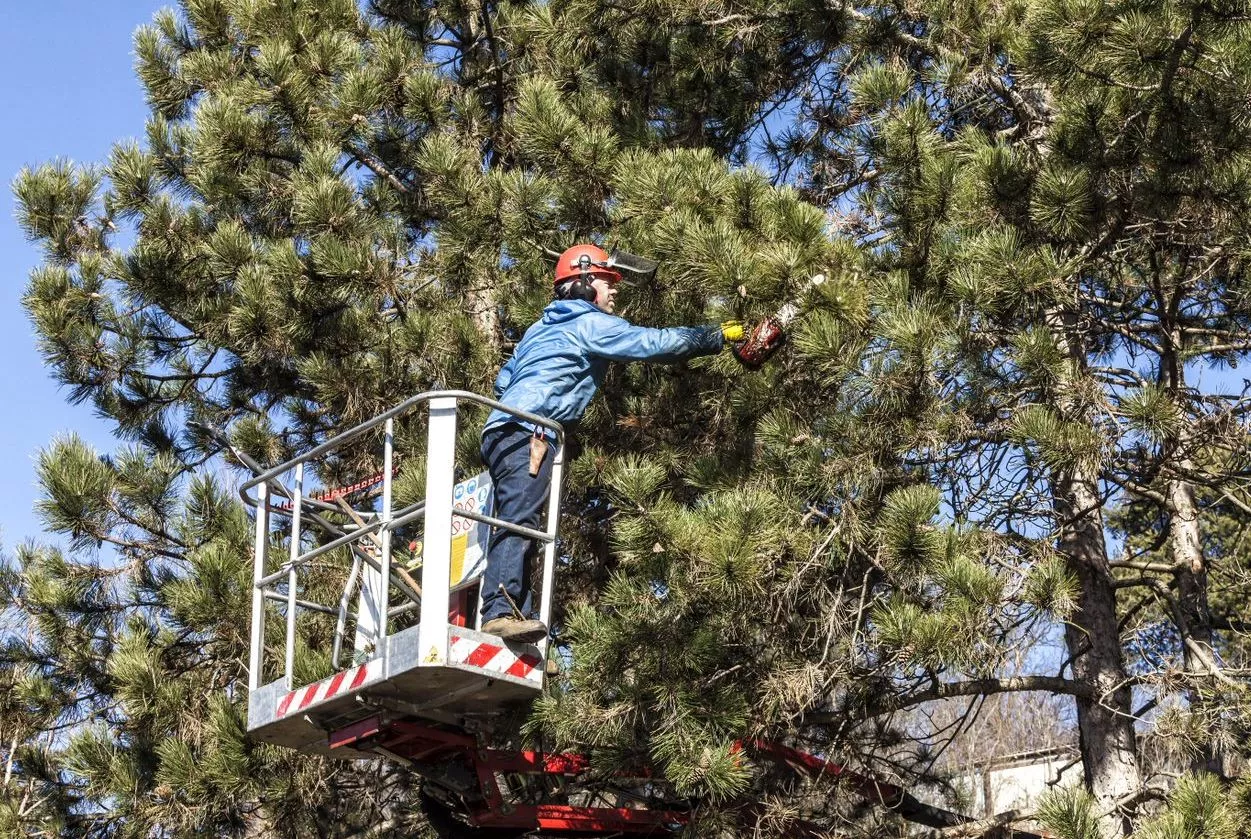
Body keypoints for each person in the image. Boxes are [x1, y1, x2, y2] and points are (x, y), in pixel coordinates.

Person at [478, 244, 745, 642]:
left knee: (517, 520)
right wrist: (713, 337)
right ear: (583, 283)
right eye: (607, 282)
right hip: (529, 432)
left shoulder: (538, 329)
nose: (614, 292)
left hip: (499, 429)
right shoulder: (587, 323)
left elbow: (504, 381)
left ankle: (513, 616)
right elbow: (653, 344)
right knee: (519, 520)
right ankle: (499, 613)